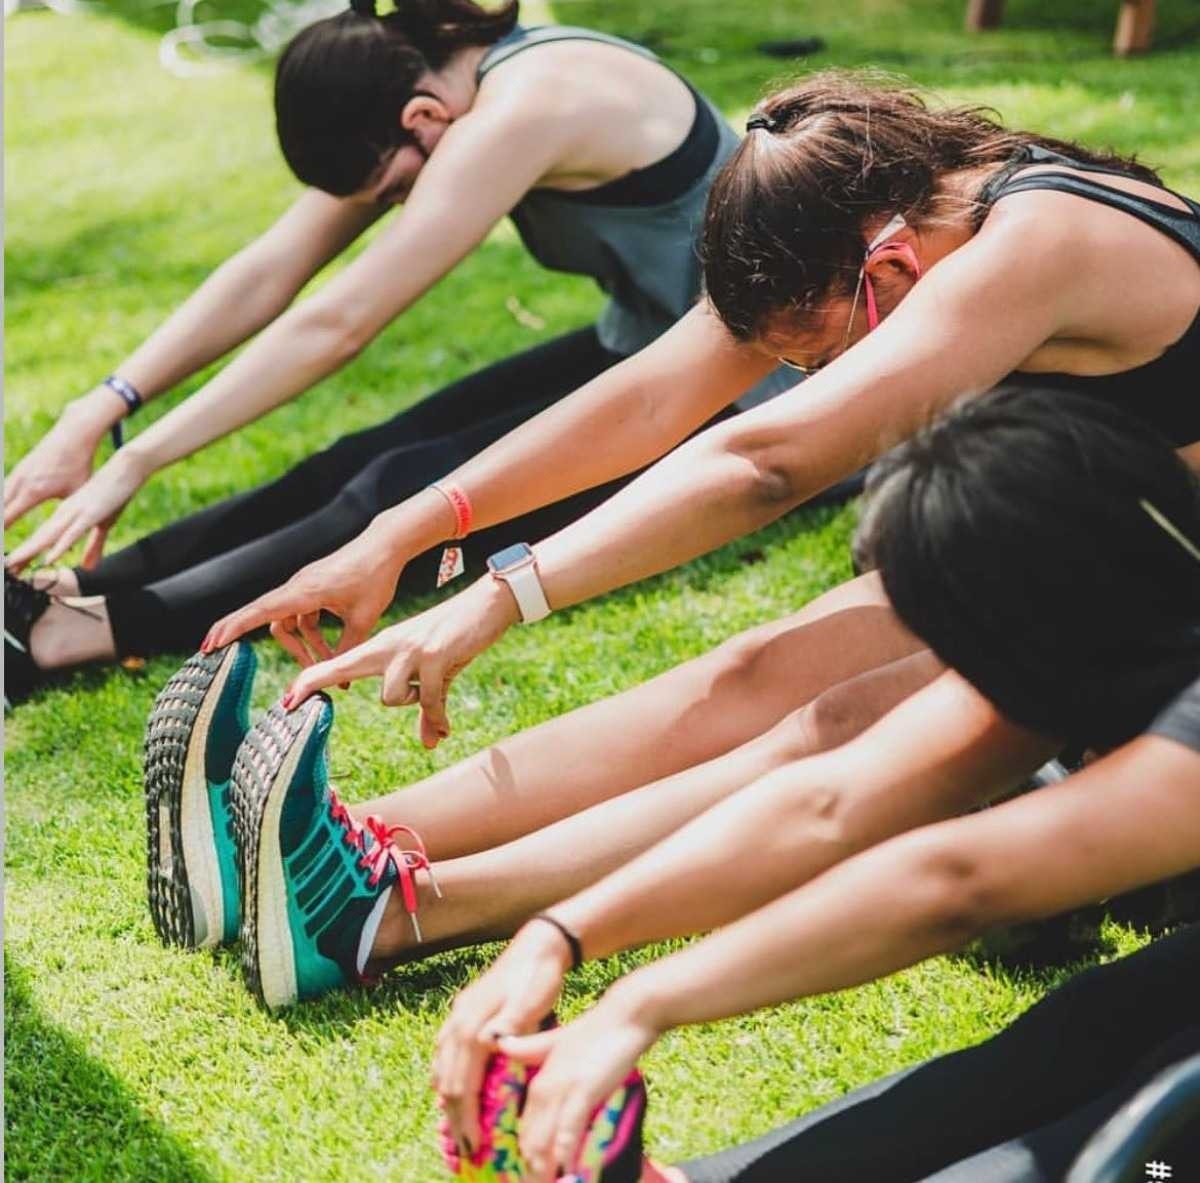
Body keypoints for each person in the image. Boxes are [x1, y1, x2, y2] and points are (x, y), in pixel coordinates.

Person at [246, 70, 1198, 754]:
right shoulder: (869, 211)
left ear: (887, 269)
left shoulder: (1033, 245)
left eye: (817, 360)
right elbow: (655, 396)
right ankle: (363, 847)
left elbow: (766, 463)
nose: (815, 379)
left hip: (1159, 593)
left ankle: (387, 879)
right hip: (1107, 554)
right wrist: (400, 531)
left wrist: (501, 596)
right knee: (774, 680)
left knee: (817, 716)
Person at [428, 386, 1200, 1182]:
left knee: (1124, 1136)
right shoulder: (1122, 595)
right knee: (1082, 1030)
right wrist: (561, 934)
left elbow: (957, 883)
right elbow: (831, 804)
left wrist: (639, 1003)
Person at [4, 0, 811, 703]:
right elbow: (270, 271)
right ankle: (66, 590)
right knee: (360, 455)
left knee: (394, 494)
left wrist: (140, 458)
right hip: (651, 348)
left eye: (391, 194)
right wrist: (108, 404)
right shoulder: (435, 94)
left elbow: (340, 321)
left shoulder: (527, 105)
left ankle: (77, 634)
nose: (394, 207)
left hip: (765, 389)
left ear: (423, 119)